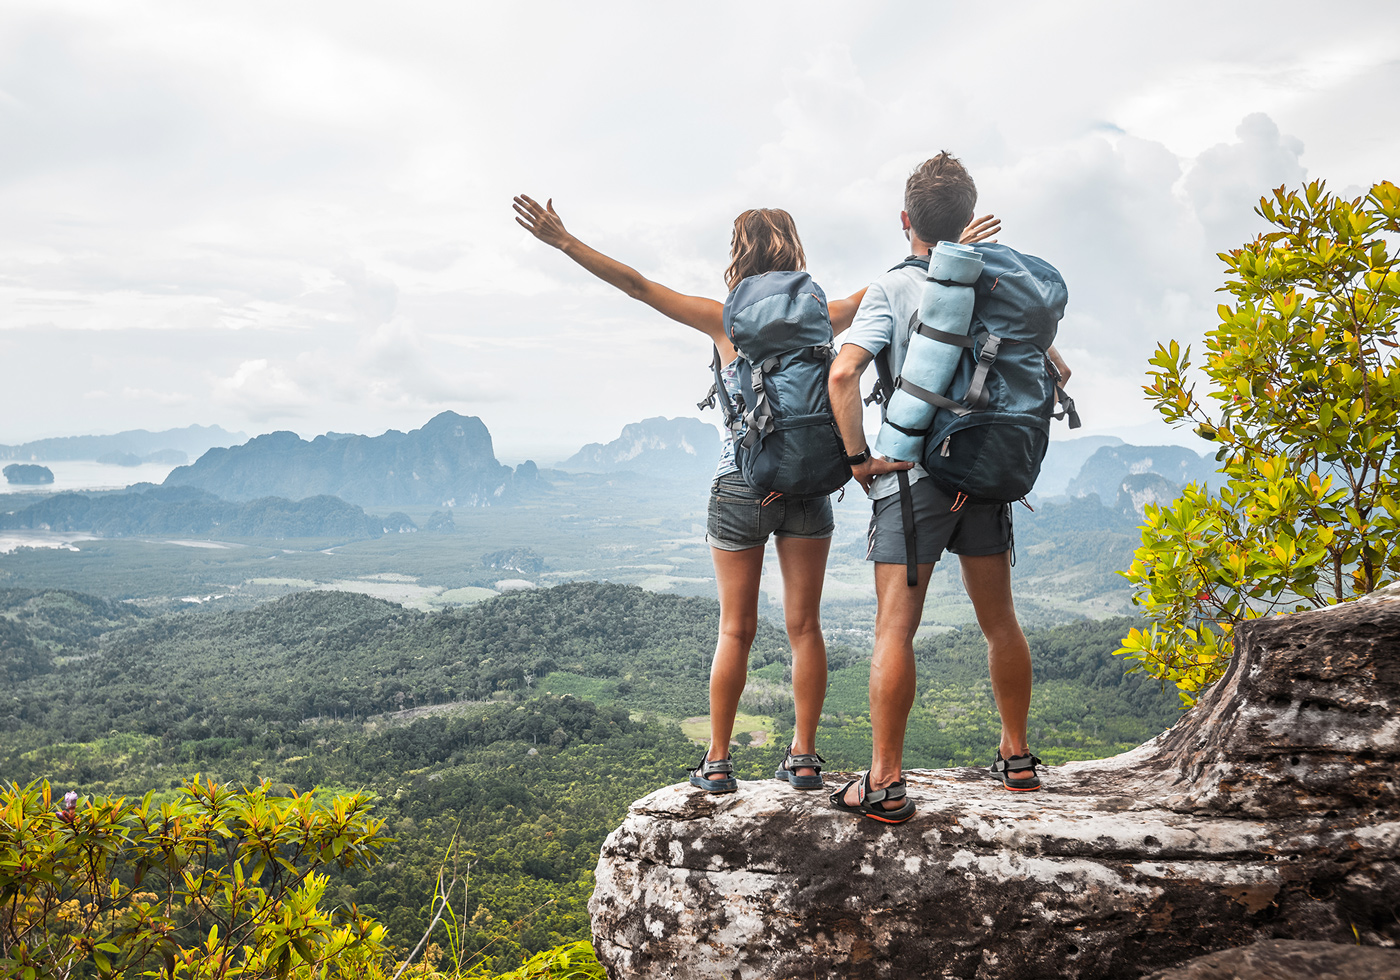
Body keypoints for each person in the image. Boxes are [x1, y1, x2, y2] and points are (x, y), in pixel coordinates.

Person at [513, 194, 1000, 795]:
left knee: (735, 629)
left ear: (738, 255)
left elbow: (638, 286)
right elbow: (906, 286)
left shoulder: (726, 319)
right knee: (806, 628)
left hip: (741, 485)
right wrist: (956, 249)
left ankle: (716, 763)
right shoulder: (828, 316)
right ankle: (803, 758)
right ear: (795, 251)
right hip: (811, 486)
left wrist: (565, 242)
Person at [826, 153, 1071, 823]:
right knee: (1001, 623)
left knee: (894, 630)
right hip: (989, 471)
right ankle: (1017, 758)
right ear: (970, 217)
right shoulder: (998, 285)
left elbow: (844, 375)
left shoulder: (892, 290)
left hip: (915, 481)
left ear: (905, 220)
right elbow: (1062, 373)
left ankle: (884, 783)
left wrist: (856, 459)